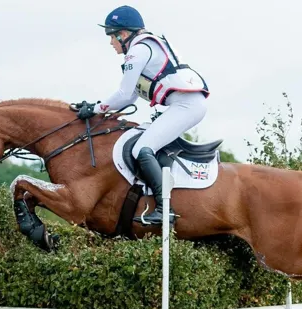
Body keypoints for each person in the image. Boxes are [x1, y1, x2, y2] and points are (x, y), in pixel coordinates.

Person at [73, 5, 210, 225]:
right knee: (145, 141)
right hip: (186, 104)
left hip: (186, 106)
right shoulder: (147, 46)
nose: (111, 43)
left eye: (112, 36)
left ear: (124, 34)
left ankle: (165, 209)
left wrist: (95, 109)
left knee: (141, 149)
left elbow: (123, 93)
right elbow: (129, 99)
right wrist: (97, 107)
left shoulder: (138, 50)